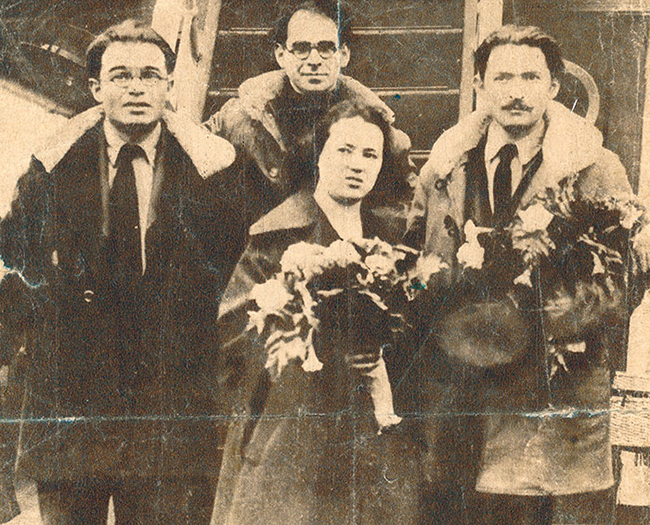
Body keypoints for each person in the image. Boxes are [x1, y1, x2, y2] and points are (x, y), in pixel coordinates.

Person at [0, 20, 236, 524]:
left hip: (167, 413)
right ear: (96, 88)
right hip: (73, 409)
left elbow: (228, 277)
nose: (136, 87)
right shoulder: (52, 170)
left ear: (169, 87)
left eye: (150, 75)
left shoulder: (211, 173)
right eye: (121, 75)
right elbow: (18, 266)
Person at [407, 25, 644, 525]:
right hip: (457, 386)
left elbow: (628, 275)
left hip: (550, 386)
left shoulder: (595, 168)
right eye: (503, 77)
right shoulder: (444, 169)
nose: (516, 91)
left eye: (531, 77)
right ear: (479, 85)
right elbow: (414, 258)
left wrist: (544, 317)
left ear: (554, 88)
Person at [212, 101, 420, 525]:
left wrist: (381, 350)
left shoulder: (390, 237)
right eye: (343, 150)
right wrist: (307, 332)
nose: (356, 165)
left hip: (368, 423)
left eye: (370, 155)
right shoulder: (278, 234)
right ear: (319, 155)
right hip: (291, 423)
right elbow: (234, 330)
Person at [204, 0, 414, 271]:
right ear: (281, 55)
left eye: (327, 48)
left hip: (344, 264)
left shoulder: (376, 129)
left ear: (344, 55)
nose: (315, 60)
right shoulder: (243, 117)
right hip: (262, 262)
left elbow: (408, 200)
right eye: (301, 49)